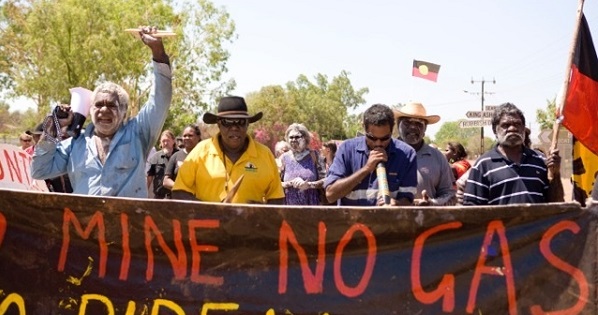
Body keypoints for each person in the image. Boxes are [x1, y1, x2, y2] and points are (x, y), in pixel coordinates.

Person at [31, 27, 172, 197]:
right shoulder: (75, 144)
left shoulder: (138, 134)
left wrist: (158, 52)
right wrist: (52, 129)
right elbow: (39, 171)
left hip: (127, 222)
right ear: (90, 110)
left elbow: (160, 99)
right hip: (85, 222)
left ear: (124, 111)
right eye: (98, 105)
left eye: (112, 106)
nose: (104, 110)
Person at [172, 96, 285, 204]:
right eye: (228, 122)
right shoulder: (201, 151)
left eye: (240, 122)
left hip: (251, 224)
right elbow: (179, 192)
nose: (234, 127)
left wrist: (261, 212)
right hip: (207, 223)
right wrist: (210, 211)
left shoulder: (265, 154)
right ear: (219, 124)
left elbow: (277, 198)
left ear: (247, 124)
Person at [463, 102, 564, 205]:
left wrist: (555, 174)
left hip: (539, 221)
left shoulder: (540, 160)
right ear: (495, 130)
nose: (512, 128)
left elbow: (557, 204)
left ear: (523, 128)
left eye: (517, 124)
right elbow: (472, 207)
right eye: (505, 125)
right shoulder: (483, 165)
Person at [324, 104, 418, 206]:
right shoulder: (346, 149)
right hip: (352, 221)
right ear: (364, 128)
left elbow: (408, 200)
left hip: (387, 221)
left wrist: (397, 204)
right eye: (372, 138)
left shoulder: (407, 154)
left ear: (392, 130)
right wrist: (367, 169)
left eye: (384, 138)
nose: (378, 143)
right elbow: (330, 195)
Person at [395, 102, 456, 206]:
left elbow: (450, 195)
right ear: (398, 125)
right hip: (391, 220)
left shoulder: (438, 158)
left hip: (428, 221)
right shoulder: (388, 154)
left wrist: (432, 203)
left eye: (418, 123)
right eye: (407, 123)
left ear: (425, 129)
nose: (413, 127)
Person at [279, 123, 325, 205]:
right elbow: (276, 183)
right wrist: (290, 183)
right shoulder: (283, 158)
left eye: (297, 137)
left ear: (305, 138)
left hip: (312, 206)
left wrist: (309, 185)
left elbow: (326, 180)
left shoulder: (315, 156)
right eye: (291, 137)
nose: (293, 140)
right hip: (289, 208)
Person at [163, 125, 201, 191]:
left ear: (198, 137)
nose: (186, 138)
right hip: (179, 198)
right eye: (184, 136)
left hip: (199, 199)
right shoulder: (176, 156)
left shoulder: (205, 155)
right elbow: (166, 181)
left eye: (190, 135)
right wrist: (181, 188)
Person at [146, 129, 177, 199]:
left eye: (168, 140)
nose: (165, 143)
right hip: (159, 198)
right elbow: (149, 178)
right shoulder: (155, 157)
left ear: (173, 141)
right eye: (163, 141)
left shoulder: (180, 155)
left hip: (176, 198)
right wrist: (144, 194)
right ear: (160, 142)